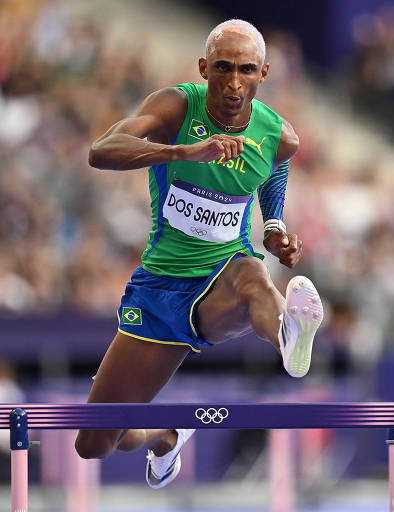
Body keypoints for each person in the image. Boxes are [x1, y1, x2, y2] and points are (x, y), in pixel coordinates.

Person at [74, 19, 324, 489]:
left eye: (246, 70)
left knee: (253, 276)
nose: (234, 82)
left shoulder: (280, 135)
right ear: (204, 68)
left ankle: (290, 338)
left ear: (264, 73)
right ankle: (164, 438)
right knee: (93, 443)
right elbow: (101, 150)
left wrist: (274, 227)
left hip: (222, 279)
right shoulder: (176, 106)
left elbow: (274, 170)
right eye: (223, 68)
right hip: (160, 288)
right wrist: (184, 153)